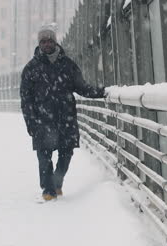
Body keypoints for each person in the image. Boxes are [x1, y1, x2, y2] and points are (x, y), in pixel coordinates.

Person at [20, 25, 105, 201]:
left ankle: (57, 182)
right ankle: (48, 190)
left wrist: (100, 92)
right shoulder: (31, 68)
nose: (46, 44)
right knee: (44, 157)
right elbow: (26, 100)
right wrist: (31, 122)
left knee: (66, 154)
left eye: (49, 40)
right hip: (42, 121)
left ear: (55, 41)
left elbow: (81, 87)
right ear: (39, 44)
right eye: (43, 41)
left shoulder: (67, 65)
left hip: (65, 118)